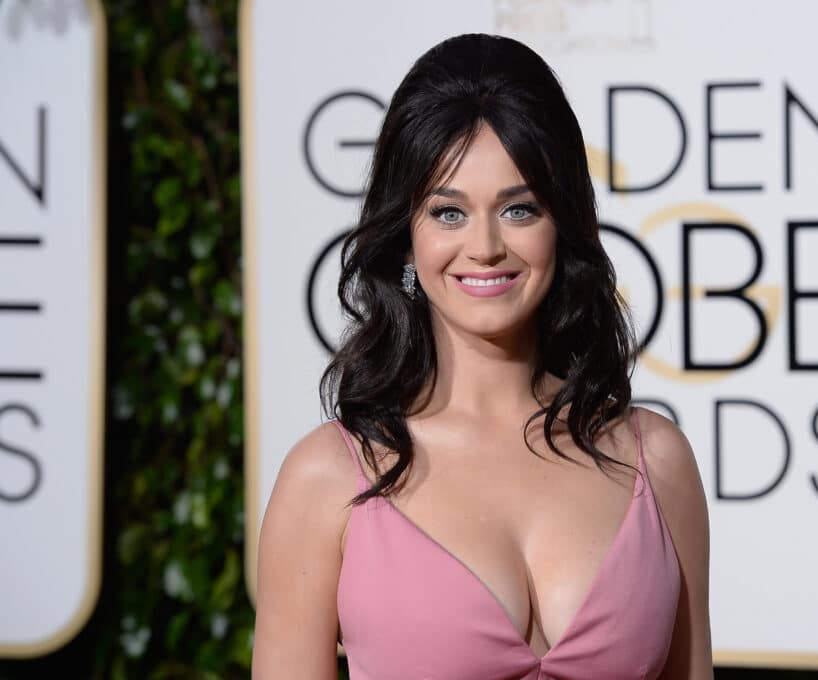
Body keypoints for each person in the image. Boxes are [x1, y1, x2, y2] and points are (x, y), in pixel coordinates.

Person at [252, 33, 712, 679]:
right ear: (407, 239)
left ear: (563, 222)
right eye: (448, 213)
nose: (486, 246)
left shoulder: (656, 462)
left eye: (519, 208)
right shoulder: (326, 480)